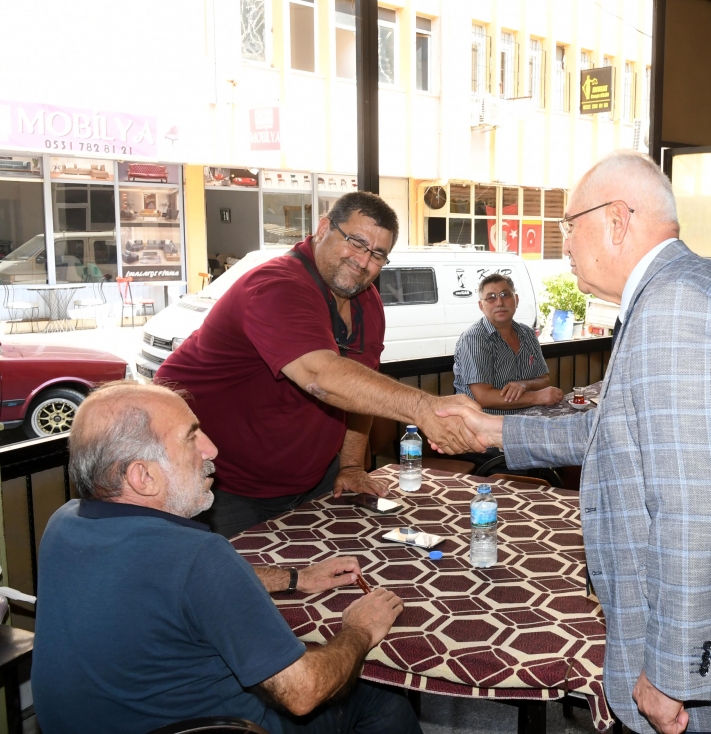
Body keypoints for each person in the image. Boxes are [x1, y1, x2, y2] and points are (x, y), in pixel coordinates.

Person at [435, 150, 711, 734]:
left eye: (569, 224)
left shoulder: (676, 311)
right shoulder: (679, 289)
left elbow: (694, 512)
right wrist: (495, 430)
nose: (564, 242)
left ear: (617, 220)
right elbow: (621, 428)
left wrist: (670, 672)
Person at [32, 382, 421, 734]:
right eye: (191, 438)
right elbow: (303, 692)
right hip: (224, 727)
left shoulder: (63, 524)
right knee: (379, 696)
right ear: (143, 477)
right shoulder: (198, 556)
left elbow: (171, 583)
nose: (211, 449)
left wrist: (296, 578)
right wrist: (359, 630)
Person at [156, 192, 480, 537]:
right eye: (356, 242)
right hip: (224, 483)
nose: (363, 261)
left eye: (377, 255)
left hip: (312, 478)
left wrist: (352, 465)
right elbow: (320, 375)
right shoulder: (277, 285)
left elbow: (361, 390)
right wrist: (423, 408)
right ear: (324, 228)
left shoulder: (366, 301)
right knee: (244, 572)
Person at [454, 273, 563, 415]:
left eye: (505, 295)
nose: (499, 302)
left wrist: (525, 384)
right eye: (491, 297)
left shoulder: (527, 334)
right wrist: (537, 397)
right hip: (485, 422)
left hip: (529, 417)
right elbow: (483, 397)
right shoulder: (474, 338)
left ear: (516, 300)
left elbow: (544, 379)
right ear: (481, 306)